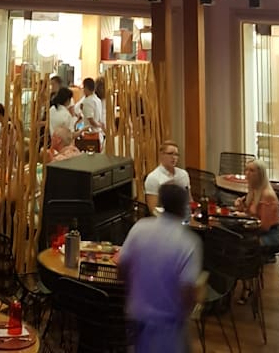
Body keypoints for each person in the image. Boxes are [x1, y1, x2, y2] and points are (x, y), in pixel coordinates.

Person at [118, 181, 203, 352]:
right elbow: (187, 290)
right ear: (183, 208)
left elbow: (122, 268)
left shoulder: (139, 228)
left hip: (135, 320)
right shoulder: (188, 242)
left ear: (160, 203)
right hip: (167, 327)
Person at [234, 158, 279, 278]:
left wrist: (245, 219)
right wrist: (241, 207)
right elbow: (252, 214)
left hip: (270, 235)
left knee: (236, 242)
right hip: (256, 231)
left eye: (251, 171)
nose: (247, 173)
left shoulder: (267, 195)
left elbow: (264, 226)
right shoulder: (253, 191)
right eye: (246, 170)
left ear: (260, 174)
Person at [144, 141, 190, 214]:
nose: (174, 157)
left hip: (183, 215)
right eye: (170, 154)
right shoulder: (153, 178)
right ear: (161, 155)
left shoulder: (183, 174)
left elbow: (189, 200)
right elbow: (153, 209)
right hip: (164, 217)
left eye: (176, 154)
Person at [75, 76, 105, 148]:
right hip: (99, 133)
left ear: (85, 88)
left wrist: (98, 125)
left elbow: (91, 120)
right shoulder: (97, 100)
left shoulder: (87, 101)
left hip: (91, 134)